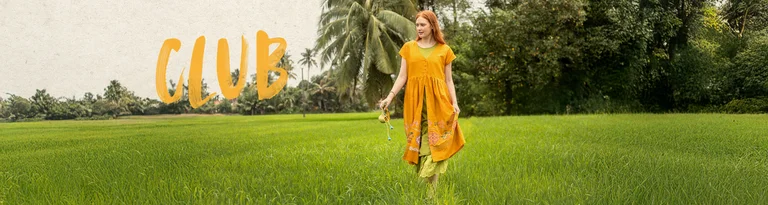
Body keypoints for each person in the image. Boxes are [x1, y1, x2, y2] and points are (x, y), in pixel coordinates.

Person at [378, 10, 465, 201]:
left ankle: (430, 193)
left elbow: (449, 80)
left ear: (432, 26)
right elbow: (402, 76)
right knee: (419, 144)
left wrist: (455, 102)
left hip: (439, 103)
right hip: (415, 104)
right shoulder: (408, 48)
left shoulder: (445, 50)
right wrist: (389, 98)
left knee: (436, 144)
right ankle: (429, 193)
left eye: (422, 24)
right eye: (417, 25)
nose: (419, 28)